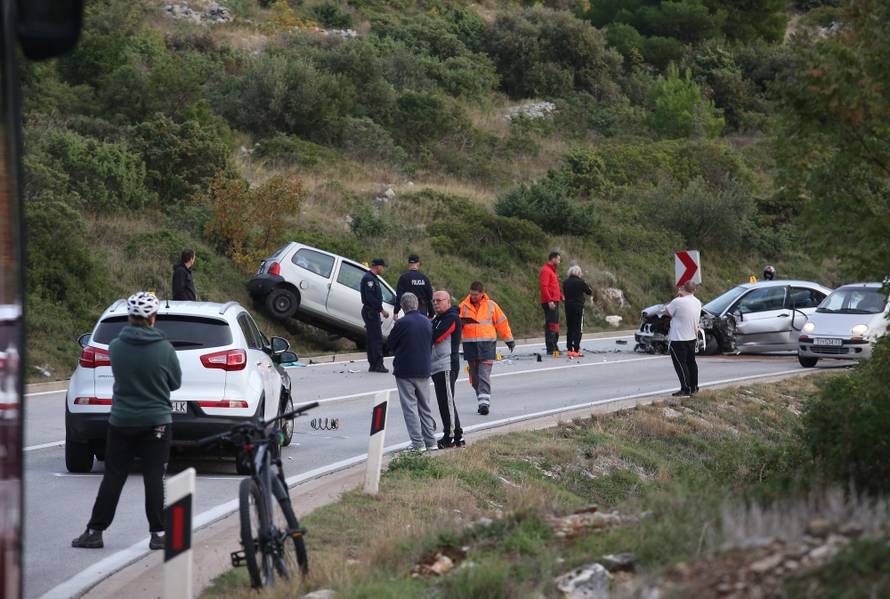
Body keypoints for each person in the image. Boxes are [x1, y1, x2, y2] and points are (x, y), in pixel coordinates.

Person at [72, 292, 182, 550]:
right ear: (153, 318)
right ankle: (158, 534)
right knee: (154, 476)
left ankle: (95, 531)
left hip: (122, 421)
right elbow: (175, 383)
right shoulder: (165, 349)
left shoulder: (116, 347)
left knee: (113, 476)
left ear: (130, 317)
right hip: (157, 421)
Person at [388, 292, 437, 452]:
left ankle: (417, 443)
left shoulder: (401, 323)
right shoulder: (427, 322)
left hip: (405, 369)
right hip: (423, 368)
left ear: (402, 306)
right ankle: (431, 441)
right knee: (425, 406)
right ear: (417, 305)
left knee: (410, 407)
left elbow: (391, 344)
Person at [459, 282, 515, 415]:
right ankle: (481, 398)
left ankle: (484, 404)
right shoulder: (463, 306)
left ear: (482, 293)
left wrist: (509, 340)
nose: (473, 297)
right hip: (470, 346)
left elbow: (502, 323)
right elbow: (456, 325)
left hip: (487, 346)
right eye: (471, 294)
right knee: (475, 378)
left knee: (483, 375)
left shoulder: (491, 306)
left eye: (475, 295)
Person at [430, 290, 463, 448]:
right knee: (444, 402)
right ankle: (456, 435)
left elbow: (436, 337)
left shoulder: (451, 318)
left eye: (439, 300)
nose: (435, 303)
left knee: (447, 402)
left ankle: (450, 436)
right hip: (437, 366)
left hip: (447, 365)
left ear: (448, 302)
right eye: (433, 300)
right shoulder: (437, 319)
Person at [663, 281, 702, 397]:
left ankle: (685, 388)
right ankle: (694, 387)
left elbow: (667, 311)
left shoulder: (678, 301)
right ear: (694, 290)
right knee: (691, 363)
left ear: (682, 289)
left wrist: (678, 295)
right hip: (692, 336)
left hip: (678, 338)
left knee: (680, 364)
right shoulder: (697, 302)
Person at [361, 259, 390, 373]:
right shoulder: (369, 279)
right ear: (377, 266)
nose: (383, 269)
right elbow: (370, 298)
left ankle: (373, 364)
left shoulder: (372, 278)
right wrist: (382, 310)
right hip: (371, 311)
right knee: (376, 338)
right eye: (382, 267)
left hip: (372, 311)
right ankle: (377, 364)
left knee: (373, 338)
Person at [563, 265, 593, 358]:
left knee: (570, 327)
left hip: (568, 306)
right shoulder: (580, 282)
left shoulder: (565, 282)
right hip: (578, 306)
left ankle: (569, 349)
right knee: (578, 328)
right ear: (578, 273)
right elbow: (589, 292)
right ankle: (576, 350)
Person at [539, 251, 563, 355]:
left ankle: (554, 345)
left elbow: (553, 287)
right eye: (558, 259)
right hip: (550, 302)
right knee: (551, 325)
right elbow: (544, 287)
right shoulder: (546, 270)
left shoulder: (552, 271)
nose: (559, 261)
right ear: (553, 259)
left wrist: (561, 296)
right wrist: (549, 300)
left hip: (555, 300)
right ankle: (551, 347)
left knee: (555, 324)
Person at [395, 254, 434, 319]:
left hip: (408, 309)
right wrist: (431, 313)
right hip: (422, 309)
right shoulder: (424, 278)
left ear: (409, 264)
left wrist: (396, 312)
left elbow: (399, 296)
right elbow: (430, 297)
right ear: (418, 264)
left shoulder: (404, 278)